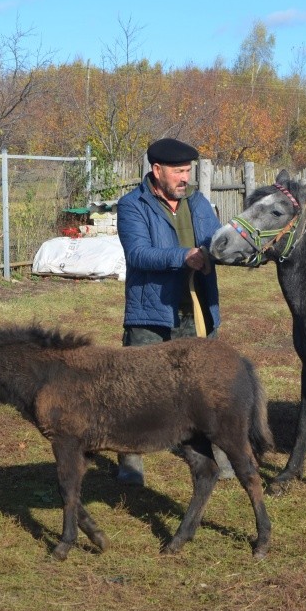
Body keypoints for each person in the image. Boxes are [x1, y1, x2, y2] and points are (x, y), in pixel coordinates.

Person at [114, 137, 234, 486]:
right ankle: (130, 460)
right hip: (150, 312)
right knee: (136, 389)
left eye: (188, 171)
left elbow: (214, 242)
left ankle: (218, 453)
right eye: (179, 171)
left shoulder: (198, 203)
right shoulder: (132, 205)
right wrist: (182, 256)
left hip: (196, 311)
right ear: (157, 170)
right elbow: (138, 253)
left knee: (205, 389)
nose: (186, 178)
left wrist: (224, 253)